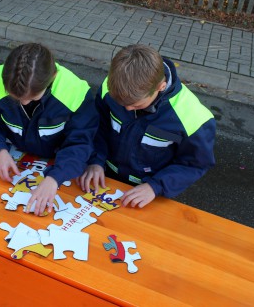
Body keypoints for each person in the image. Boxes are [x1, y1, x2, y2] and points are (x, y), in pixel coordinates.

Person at [78, 44, 216, 208]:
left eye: (136, 105)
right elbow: (98, 127)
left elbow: (194, 164)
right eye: (120, 103)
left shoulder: (193, 118)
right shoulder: (113, 87)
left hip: (151, 192)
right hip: (104, 177)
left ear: (161, 87)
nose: (127, 109)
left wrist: (155, 186)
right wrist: (95, 160)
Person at [0, 43, 98, 215]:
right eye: (14, 97)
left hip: (60, 166)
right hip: (19, 158)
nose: (24, 103)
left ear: (52, 77)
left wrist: (55, 178)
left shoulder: (74, 93)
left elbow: (80, 144)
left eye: (32, 97)